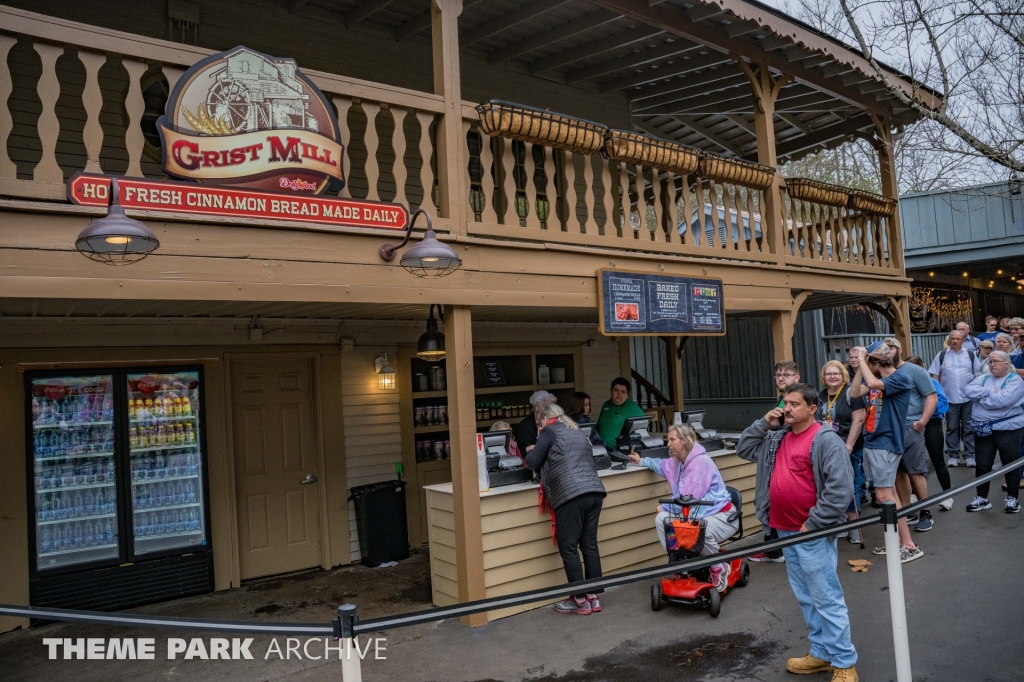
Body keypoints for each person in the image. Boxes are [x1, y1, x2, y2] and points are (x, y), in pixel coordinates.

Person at [737, 384, 857, 681]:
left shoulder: (825, 440)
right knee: (806, 597)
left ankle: (844, 663)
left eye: (794, 404)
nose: (786, 409)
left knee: (826, 598)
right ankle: (822, 653)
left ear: (812, 408)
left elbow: (840, 489)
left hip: (811, 533)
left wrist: (813, 524)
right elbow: (744, 448)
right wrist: (764, 423)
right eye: (785, 403)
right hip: (784, 529)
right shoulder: (777, 437)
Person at [628, 424, 738, 592]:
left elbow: (688, 498)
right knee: (662, 519)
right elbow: (660, 465)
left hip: (721, 516)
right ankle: (678, 562)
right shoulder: (676, 462)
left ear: (684, 441)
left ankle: (719, 566)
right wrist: (641, 460)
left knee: (697, 530)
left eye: (672, 440)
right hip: (695, 515)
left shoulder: (700, 463)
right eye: (668, 440)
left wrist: (665, 506)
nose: (668, 444)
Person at [525, 403, 607, 615]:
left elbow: (533, 462)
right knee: (589, 544)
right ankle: (593, 596)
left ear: (545, 419)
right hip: (594, 491)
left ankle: (579, 599)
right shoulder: (577, 430)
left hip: (571, 494)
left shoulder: (549, 431)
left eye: (540, 423)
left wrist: (532, 450)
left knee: (568, 546)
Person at [850, 342, 923, 563]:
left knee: (884, 497)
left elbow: (873, 383)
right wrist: (859, 367)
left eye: (866, 362)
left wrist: (862, 359)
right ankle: (897, 542)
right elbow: (854, 392)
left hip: (886, 442)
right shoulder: (877, 380)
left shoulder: (899, 378)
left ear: (876, 363)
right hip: (873, 441)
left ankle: (908, 544)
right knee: (889, 494)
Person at [749, 360, 803, 563]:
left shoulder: (803, 397)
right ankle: (775, 547)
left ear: (796, 377)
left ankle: (776, 549)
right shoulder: (781, 400)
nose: (781, 378)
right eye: (778, 375)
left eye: (785, 375)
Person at [884, 338, 938, 532]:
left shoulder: (915, 371)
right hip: (890, 429)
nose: (887, 352)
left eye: (890, 348)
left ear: (899, 350)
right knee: (898, 472)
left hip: (910, 427)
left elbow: (931, 396)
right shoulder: (881, 371)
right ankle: (907, 511)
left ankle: (926, 512)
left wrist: (921, 422)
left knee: (915, 471)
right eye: (884, 349)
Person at [962, 351, 1024, 514]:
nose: (992, 364)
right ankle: (982, 497)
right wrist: (989, 392)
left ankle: (1012, 498)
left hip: (1009, 430)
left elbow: (1002, 401)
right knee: (983, 464)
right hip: (983, 430)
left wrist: (981, 399)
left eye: (996, 361)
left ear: (1006, 363)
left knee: (1010, 463)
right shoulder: (984, 378)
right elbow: (968, 391)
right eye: (990, 362)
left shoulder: (1015, 380)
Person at [818, 361, 867, 546]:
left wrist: (849, 445)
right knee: (829, 486)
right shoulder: (819, 396)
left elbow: (858, 420)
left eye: (836, 373)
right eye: (828, 373)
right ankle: (838, 523)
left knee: (849, 487)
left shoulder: (851, 393)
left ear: (843, 375)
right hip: (825, 448)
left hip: (848, 447)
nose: (832, 376)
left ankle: (854, 527)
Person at [906, 356, 954, 512]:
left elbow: (943, 405)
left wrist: (924, 410)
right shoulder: (903, 382)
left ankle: (948, 495)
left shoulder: (932, 382)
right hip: (911, 424)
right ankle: (914, 494)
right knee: (912, 462)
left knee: (937, 460)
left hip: (931, 423)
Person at [929, 330, 981, 468]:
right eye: (952, 338)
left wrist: (975, 391)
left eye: (958, 339)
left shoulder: (970, 355)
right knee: (951, 428)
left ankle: (969, 456)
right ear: (949, 340)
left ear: (963, 340)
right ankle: (953, 455)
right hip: (949, 398)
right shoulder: (941, 355)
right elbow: (935, 374)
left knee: (969, 428)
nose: (955, 341)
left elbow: (978, 373)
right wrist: (939, 394)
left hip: (968, 398)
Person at [595, 377, 645, 447]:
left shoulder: (635, 410)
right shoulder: (606, 404)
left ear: (627, 393)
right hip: (600, 448)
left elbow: (642, 433)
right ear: (611, 391)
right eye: (616, 390)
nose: (619, 394)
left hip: (618, 450)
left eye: (623, 391)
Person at [514, 390, 556, 456]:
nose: (551, 411)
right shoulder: (524, 427)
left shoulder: (555, 422)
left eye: (552, 408)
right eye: (547, 408)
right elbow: (525, 452)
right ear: (537, 407)